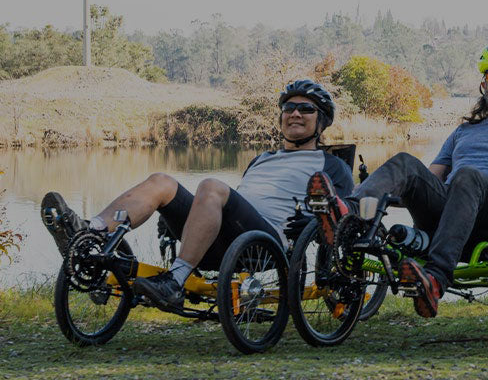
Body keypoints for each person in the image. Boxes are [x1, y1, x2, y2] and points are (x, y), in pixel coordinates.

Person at [40, 80, 353, 309]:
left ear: (320, 120)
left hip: (265, 245)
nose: (294, 114)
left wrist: (314, 221)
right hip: (219, 237)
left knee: (212, 186)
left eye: (305, 109)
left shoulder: (330, 163)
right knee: (162, 180)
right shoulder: (262, 159)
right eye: (288, 108)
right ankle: (87, 231)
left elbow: (345, 214)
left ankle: (175, 281)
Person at [322, 40, 488, 318]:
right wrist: (377, 189)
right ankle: (349, 214)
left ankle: (435, 279)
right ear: (484, 85)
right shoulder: (464, 132)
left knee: (467, 176)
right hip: (447, 214)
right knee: (406, 163)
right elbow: (428, 180)